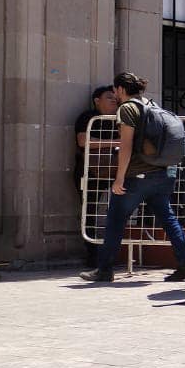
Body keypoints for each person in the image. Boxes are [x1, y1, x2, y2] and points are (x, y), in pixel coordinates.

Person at [81, 73, 185, 284]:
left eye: (115, 91)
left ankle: (104, 270)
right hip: (163, 173)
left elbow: (126, 145)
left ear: (121, 89)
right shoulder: (151, 104)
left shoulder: (128, 108)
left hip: (138, 176)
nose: (115, 96)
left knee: (115, 220)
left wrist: (119, 178)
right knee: (167, 218)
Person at [74, 84, 120, 266]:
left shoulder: (120, 118)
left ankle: (112, 252)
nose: (114, 101)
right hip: (90, 172)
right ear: (97, 101)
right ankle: (93, 255)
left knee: (116, 210)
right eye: (109, 97)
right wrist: (116, 142)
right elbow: (83, 141)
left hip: (116, 171)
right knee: (89, 211)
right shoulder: (88, 117)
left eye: (115, 97)